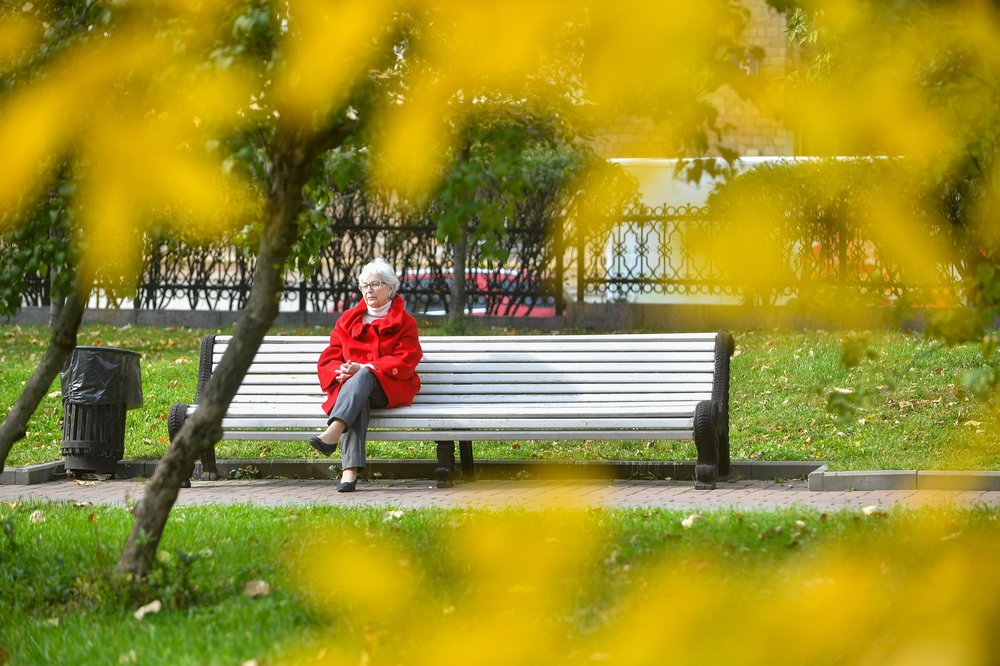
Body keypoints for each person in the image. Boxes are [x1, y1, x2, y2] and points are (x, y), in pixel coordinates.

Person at [310, 258, 423, 492]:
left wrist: (363, 368)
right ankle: (349, 474)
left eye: (375, 284)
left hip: (389, 387)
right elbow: (330, 356)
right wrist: (339, 370)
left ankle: (333, 432)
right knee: (357, 391)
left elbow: (407, 358)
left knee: (362, 376)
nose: (368, 290)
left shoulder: (405, 322)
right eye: (364, 285)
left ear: (391, 287)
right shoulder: (348, 319)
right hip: (352, 389)